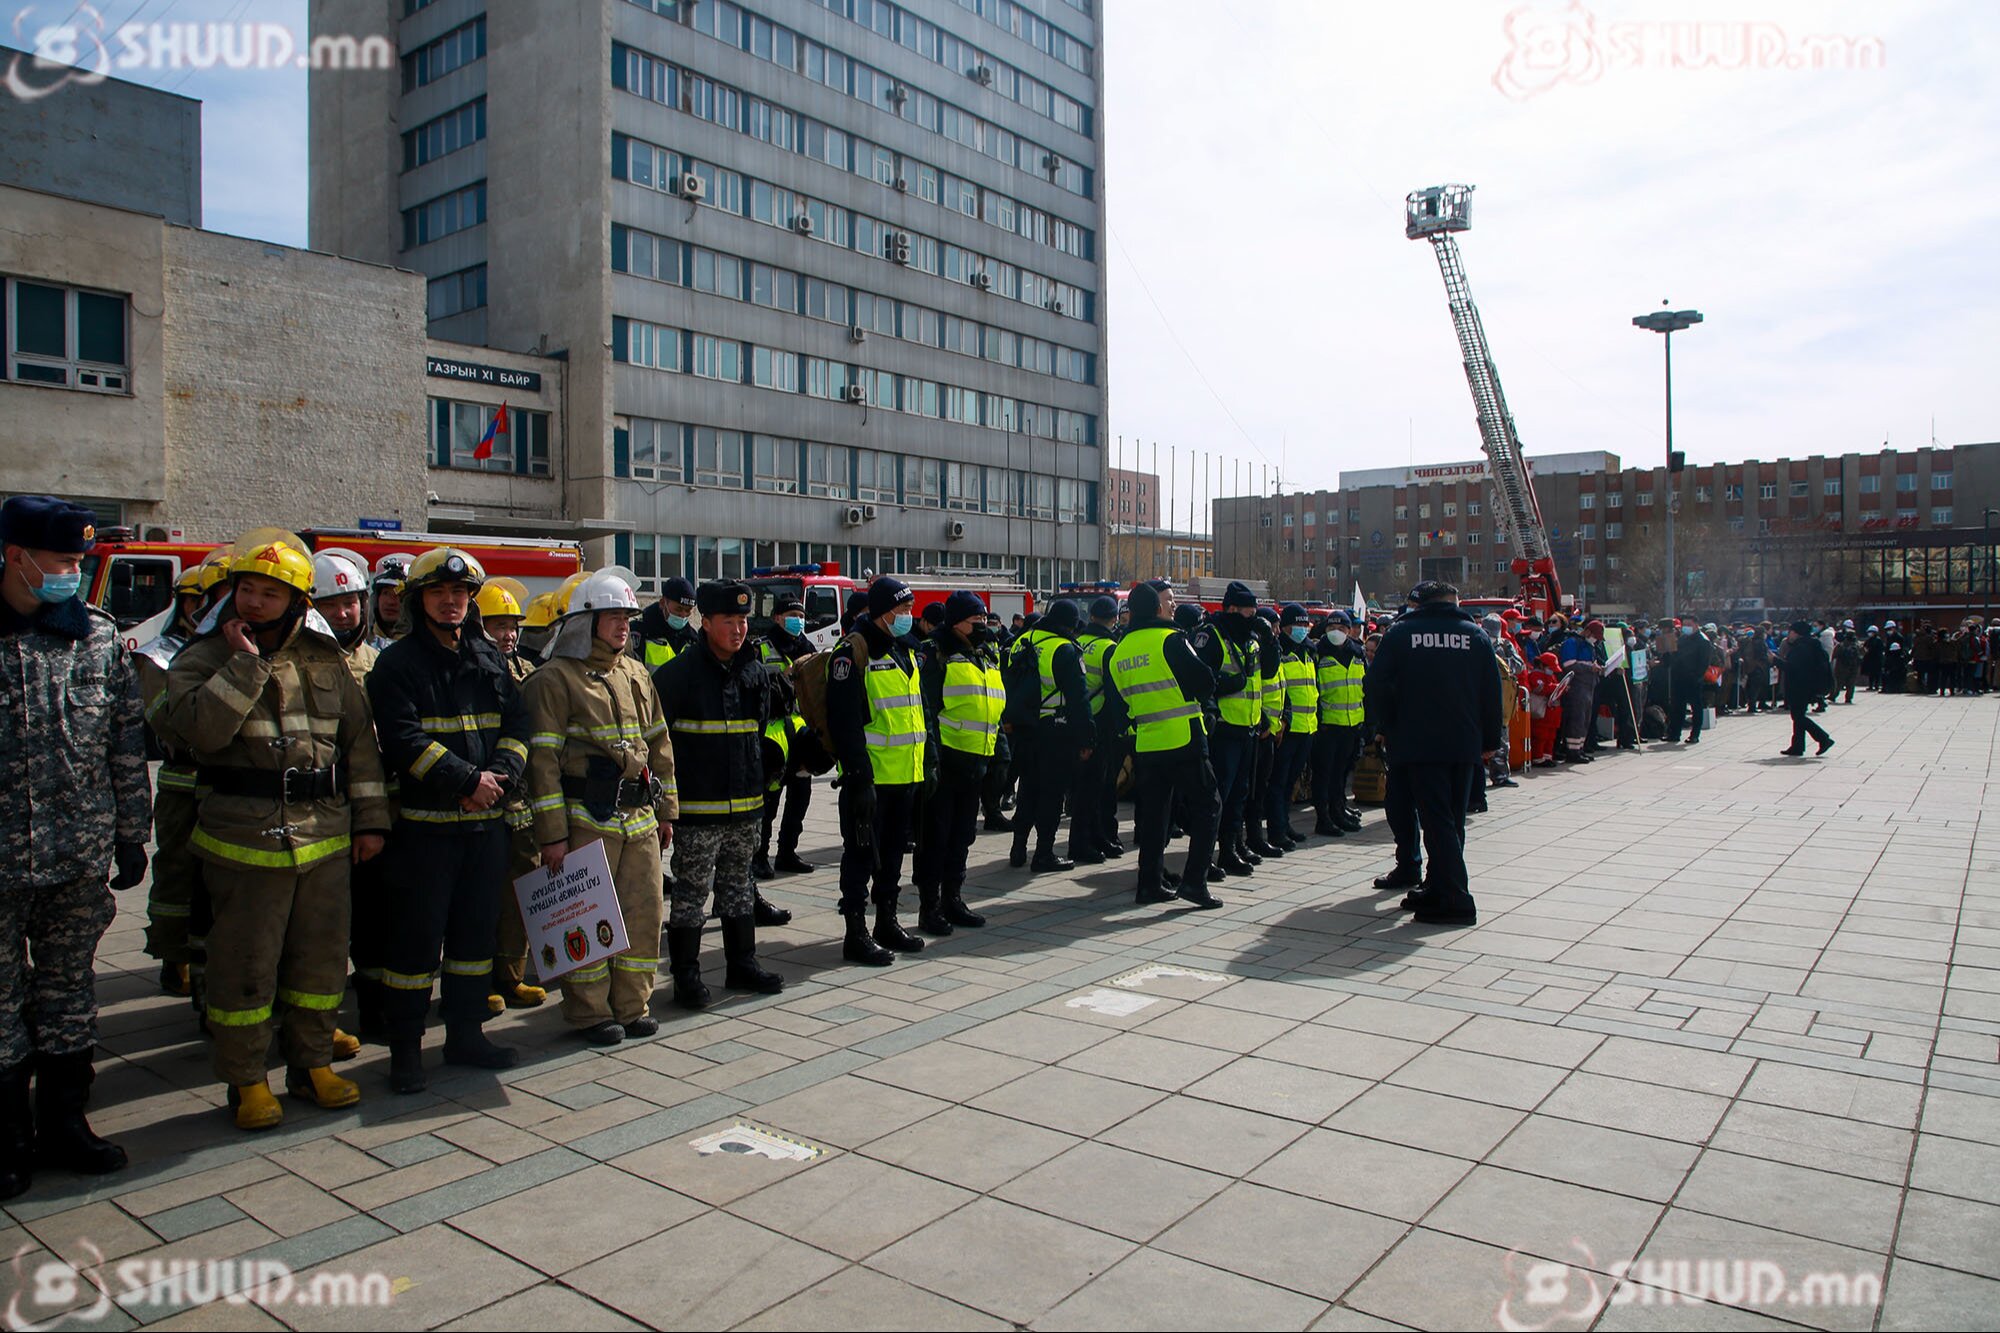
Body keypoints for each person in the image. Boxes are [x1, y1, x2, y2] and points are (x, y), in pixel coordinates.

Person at [163, 536, 391, 1130]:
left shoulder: (324, 656)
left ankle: (311, 1065)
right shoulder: (205, 656)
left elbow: (359, 746)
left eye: (271, 593)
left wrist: (371, 820)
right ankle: (246, 1080)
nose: (256, 602)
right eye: (248, 590)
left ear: (296, 601)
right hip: (244, 841)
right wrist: (243, 665)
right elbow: (198, 733)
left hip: (326, 837)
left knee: (320, 962)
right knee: (246, 965)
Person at [0, 497, 152, 1194]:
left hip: (76, 857)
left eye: (77, 562)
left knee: (68, 993)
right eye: (62, 560)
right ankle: (9, 1138)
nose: (72, 573)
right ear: (16, 555)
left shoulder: (95, 635)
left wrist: (131, 835)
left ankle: (65, 1123)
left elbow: (124, 741)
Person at [365, 549, 529, 1092]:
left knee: (474, 937)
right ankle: (405, 1051)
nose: (451, 601)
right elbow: (402, 740)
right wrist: (466, 782)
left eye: (459, 593)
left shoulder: (489, 658)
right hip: (425, 831)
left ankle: (466, 1034)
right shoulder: (397, 664)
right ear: (419, 601)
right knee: (414, 944)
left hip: (484, 828)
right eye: (438, 593)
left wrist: (498, 778)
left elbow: (518, 726)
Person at [522, 571, 677, 1046]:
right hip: (585, 821)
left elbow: (659, 742)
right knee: (584, 918)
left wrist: (667, 811)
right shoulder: (552, 680)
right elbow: (541, 763)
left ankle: (632, 1006)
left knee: (644, 915)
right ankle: (589, 1013)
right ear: (583, 622)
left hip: (640, 819)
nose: (623, 626)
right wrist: (552, 836)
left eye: (627, 617)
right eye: (612, 617)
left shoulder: (635, 673)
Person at [653, 580, 787, 1009]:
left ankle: (742, 964)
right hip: (698, 811)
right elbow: (658, 745)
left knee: (739, 887)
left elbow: (756, 733)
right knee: (691, 895)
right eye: (728, 620)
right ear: (705, 622)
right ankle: (686, 977)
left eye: (743, 620)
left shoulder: (754, 673)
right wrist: (665, 809)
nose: (738, 629)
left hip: (746, 808)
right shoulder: (677, 676)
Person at [1363, 582, 1501, 927]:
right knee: (1451, 820)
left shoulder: (1402, 633)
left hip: (1419, 741)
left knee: (1436, 820)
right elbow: (1491, 691)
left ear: (1418, 604)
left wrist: (1389, 722)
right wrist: (1490, 739)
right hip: (1463, 742)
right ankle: (1438, 887)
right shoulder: (1475, 635)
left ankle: (1456, 899)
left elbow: (1376, 684)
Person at [1101, 579, 1222, 909]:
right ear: (1156, 607)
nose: (1173, 605)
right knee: (1208, 806)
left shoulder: (1119, 650)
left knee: (1154, 817)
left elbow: (1118, 708)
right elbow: (1204, 682)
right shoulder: (1172, 639)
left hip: (1147, 743)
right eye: (1168, 600)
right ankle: (1194, 882)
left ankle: (1149, 884)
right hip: (1184, 738)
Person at [827, 577, 926, 965]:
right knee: (860, 857)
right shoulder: (853, 652)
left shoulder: (905, 648)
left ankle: (887, 921)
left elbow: (916, 710)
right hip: (870, 778)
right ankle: (856, 934)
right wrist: (859, 777)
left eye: (910, 609)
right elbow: (845, 722)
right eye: (902, 609)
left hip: (905, 775)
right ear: (884, 611)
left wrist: (927, 762)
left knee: (894, 856)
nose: (908, 616)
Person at [311, 552, 387, 1047]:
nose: (343, 614)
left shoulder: (377, 663)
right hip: (315, 813)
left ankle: (375, 1010)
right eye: (330, 604)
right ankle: (317, 1022)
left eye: (350, 603)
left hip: (372, 809)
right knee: (320, 927)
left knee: (375, 918)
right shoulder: (301, 661)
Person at [133, 563, 216, 997]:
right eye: (195, 600)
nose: (202, 609)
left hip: (224, 786)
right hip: (182, 783)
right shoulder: (159, 655)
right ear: (183, 603)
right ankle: (174, 955)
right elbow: (166, 721)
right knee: (177, 872)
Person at [472, 580, 547, 1012]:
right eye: (498, 625)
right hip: (481, 799)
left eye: (512, 626)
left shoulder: (527, 671)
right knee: (482, 898)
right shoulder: (471, 670)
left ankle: (512, 975)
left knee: (522, 892)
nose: (508, 634)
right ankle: (479, 980)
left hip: (522, 803)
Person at [912, 591, 1001, 936]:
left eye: (984, 619)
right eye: (975, 620)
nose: (982, 625)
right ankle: (930, 907)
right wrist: (932, 758)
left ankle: (953, 899)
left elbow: (992, 706)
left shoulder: (984, 653)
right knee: (936, 838)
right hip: (946, 761)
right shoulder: (935, 652)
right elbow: (927, 709)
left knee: (963, 836)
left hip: (976, 761)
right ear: (955, 622)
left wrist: (998, 754)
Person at [1008, 600, 1092, 873]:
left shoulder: (1022, 641)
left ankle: (1018, 847)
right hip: (1055, 729)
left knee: (1027, 789)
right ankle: (1044, 853)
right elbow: (1079, 698)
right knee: (1052, 793)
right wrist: (1086, 738)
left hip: (1024, 727)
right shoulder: (1064, 648)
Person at [1190, 582, 1263, 875]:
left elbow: (1265, 675)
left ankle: (1230, 849)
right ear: (1232, 609)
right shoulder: (1210, 636)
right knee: (1216, 796)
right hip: (1223, 729)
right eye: (1249, 611)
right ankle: (1204, 856)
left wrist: (1271, 640)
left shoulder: (1250, 639)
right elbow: (1199, 678)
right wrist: (1227, 684)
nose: (1253, 617)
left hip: (1248, 726)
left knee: (1239, 795)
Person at [753, 594, 816, 887]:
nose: (797, 621)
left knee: (800, 797)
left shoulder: (808, 648)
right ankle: (759, 855)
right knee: (769, 803)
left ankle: (787, 852)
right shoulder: (761, 647)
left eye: (801, 616)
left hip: (802, 735)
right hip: (773, 735)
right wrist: (785, 679)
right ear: (777, 617)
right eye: (792, 615)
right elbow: (754, 688)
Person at [1071, 596, 1120, 862]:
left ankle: (1096, 837)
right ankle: (1086, 842)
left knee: (1083, 787)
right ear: (1114, 619)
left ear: (1091, 617)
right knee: (1098, 787)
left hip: (1079, 719)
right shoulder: (1109, 648)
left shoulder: (1079, 641)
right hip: (1101, 721)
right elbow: (1114, 692)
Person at [1266, 604, 1320, 845]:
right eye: (1298, 625)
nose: (1302, 629)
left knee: (1291, 782)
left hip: (1307, 726)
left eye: (1305, 625)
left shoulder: (1308, 651)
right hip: (1287, 728)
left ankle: (1285, 824)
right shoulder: (1279, 650)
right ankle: (1276, 830)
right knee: (1278, 782)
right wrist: (1282, 720)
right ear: (1286, 627)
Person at [1312, 610, 1368, 832]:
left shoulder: (1357, 653)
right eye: (1332, 628)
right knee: (1324, 775)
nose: (1336, 632)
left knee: (1341, 773)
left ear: (1349, 630)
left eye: (1341, 628)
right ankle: (1323, 818)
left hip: (1352, 724)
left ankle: (1338, 810)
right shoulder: (1318, 653)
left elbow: (1365, 687)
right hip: (1327, 725)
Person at [1779, 621, 1837, 757]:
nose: (1789, 635)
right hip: (1807, 686)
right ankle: (1797, 746)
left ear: (1796, 633)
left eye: (1790, 632)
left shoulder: (1802, 648)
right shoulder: (1811, 645)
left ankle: (1823, 738)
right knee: (1798, 715)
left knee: (1798, 717)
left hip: (1800, 686)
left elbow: (1792, 667)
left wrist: (1775, 660)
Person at [1555, 620, 1603, 763]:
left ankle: (1579, 749)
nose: (1596, 640)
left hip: (1588, 687)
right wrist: (1590, 668)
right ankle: (1572, 752)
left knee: (1585, 720)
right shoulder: (1572, 643)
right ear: (1587, 631)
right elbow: (1568, 665)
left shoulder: (1589, 646)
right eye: (1594, 636)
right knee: (1576, 719)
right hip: (1576, 687)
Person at [635, 576, 698, 671]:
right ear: (662, 603)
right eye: (678, 609)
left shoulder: (692, 640)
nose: (683, 615)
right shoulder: (639, 634)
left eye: (688, 610)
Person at [1524, 652, 1563, 767]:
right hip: (1542, 712)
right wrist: (1556, 687)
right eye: (1550, 668)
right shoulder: (1535, 675)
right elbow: (1540, 688)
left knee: (1550, 736)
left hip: (1552, 712)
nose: (1552, 671)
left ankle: (1547, 757)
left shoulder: (1550, 675)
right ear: (1542, 665)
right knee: (1540, 736)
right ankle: (1538, 758)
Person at [367, 558, 409, 652]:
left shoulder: (424, 648)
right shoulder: (361, 645)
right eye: (385, 593)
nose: (390, 602)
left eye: (399, 595)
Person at [1832, 627, 1861, 705]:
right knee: (1851, 684)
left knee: (1838, 683)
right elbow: (1863, 654)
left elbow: (1834, 655)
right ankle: (1848, 698)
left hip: (1841, 668)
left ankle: (1833, 696)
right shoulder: (1857, 646)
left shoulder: (1841, 645)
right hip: (1854, 668)